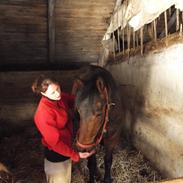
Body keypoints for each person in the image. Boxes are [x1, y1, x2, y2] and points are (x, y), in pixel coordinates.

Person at [32, 75, 94, 183]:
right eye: (52, 92)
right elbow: (55, 144)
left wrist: (90, 98)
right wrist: (76, 155)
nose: (57, 93)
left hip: (66, 148)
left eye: (58, 88)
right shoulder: (43, 113)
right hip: (56, 154)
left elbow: (73, 100)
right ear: (43, 94)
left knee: (66, 177)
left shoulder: (60, 98)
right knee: (59, 179)